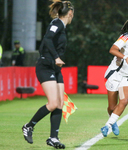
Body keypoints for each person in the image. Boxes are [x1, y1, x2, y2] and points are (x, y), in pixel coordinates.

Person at [22, 1, 74, 149]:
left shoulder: (61, 26)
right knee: (52, 104)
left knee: (60, 104)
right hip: (45, 67)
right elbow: (47, 39)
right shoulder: (57, 23)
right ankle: (29, 126)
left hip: (55, 69)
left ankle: (53, 138)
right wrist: (56, 57)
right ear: (70, 13)